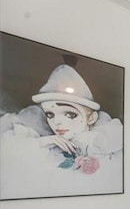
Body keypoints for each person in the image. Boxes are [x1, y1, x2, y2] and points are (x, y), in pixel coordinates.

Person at [0, 64, 123, 199]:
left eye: (70, 114)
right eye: (50, 115)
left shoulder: (107, 145)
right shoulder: (46, 151)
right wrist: (44, 142)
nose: (57, 122)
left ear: (91, 118)